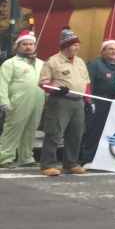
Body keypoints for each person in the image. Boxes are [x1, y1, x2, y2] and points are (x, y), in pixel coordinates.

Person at [38, 27, 90, 176]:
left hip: (77, 102)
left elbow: (86, 82)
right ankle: (47, 164)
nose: (77, 48)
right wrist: (55, 90)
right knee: (54, 133)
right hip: (61, 101)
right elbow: (43, 82)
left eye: (78, 45)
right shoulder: (52, 61)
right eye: (75, 45)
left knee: (76, 134)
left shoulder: (80, 62)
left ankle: (70, 163)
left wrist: (88, 100)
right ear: (66, 46)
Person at [0, 29, 45, 168]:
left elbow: (46, 82)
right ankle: (5, 157)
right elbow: (3, 83)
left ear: (34, 46)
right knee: (13, 129)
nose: (28, 47)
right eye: (24, 44)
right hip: (18, 101)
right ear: (18, 46)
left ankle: (26, 157)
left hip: (37, 100)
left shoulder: (41, 63)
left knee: (30, 129)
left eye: (31, 44)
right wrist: (4, 101)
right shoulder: (10, 63)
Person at [80, 39, 115, 164]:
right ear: (103, 51)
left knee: (111, 133)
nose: (113, 51)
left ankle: (105, 158)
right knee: (95, 131)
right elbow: (89, 83)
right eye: (110, 49)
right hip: (99, 102)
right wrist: (89, 100)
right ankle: (88, 158)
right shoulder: (95, 65)